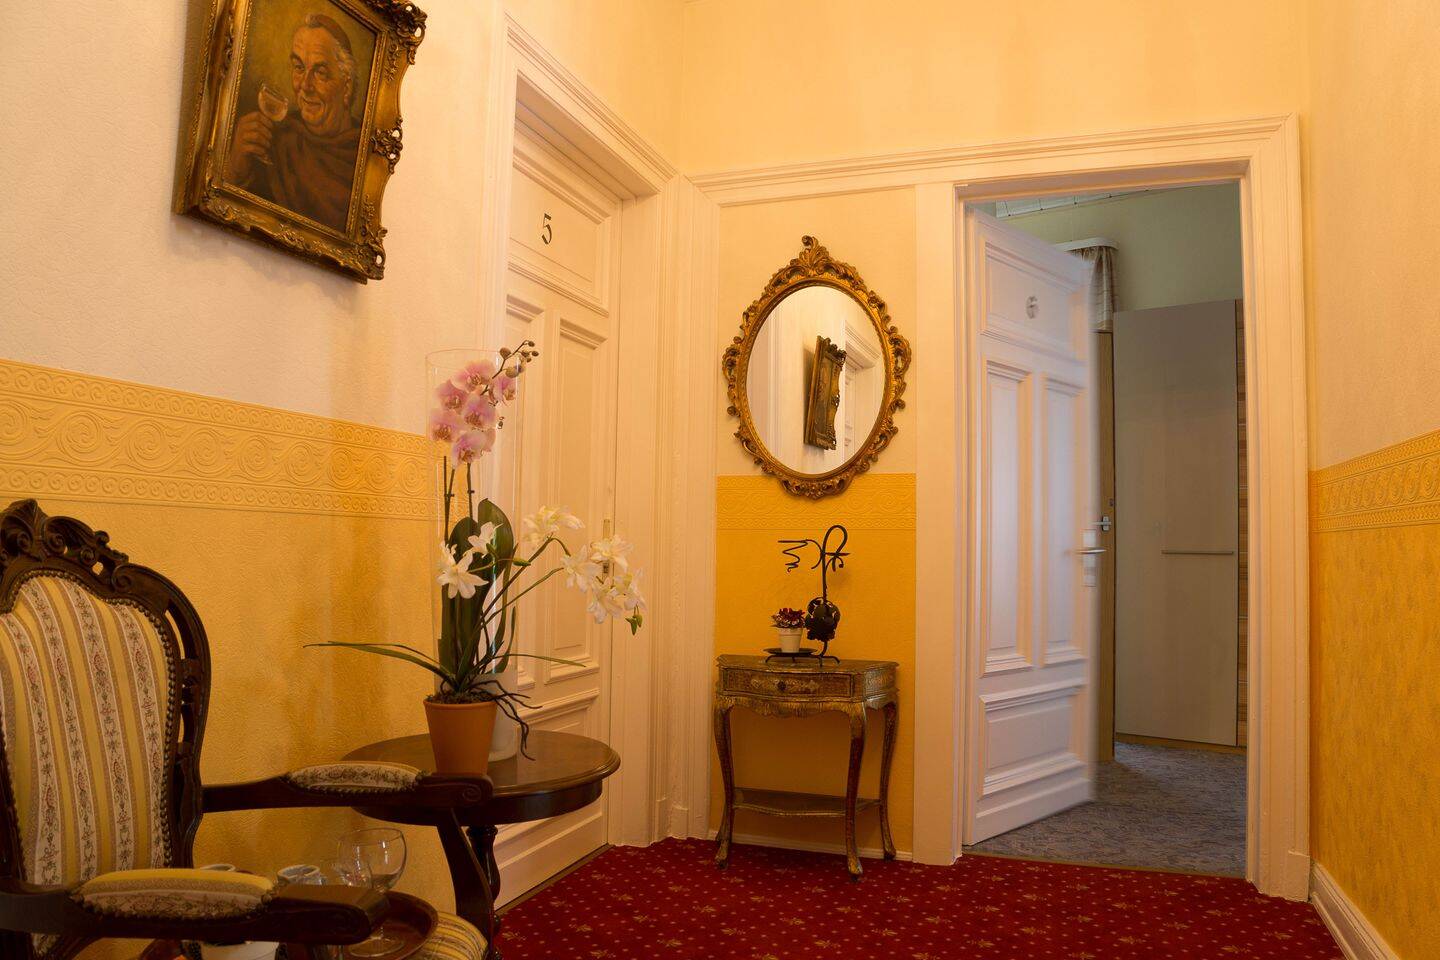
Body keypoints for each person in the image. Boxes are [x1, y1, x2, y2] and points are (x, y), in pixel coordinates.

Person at [227, 13, 362, 232]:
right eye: (299, 68)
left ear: (346, 87)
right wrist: (235, 168)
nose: (304, 86)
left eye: (320, 72)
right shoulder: (277, 139)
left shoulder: (363, 156)